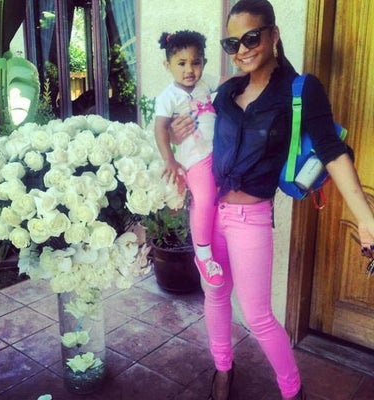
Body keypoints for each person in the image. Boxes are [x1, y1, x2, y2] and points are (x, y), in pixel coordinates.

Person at [170, 1, 374, 399]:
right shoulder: (227, 91)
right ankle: (223, 369)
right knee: (215, 294)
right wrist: (179, 133)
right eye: (233, 43)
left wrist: (364, 217)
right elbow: (200, 140)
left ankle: (292, 390)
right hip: (209, 213)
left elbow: (332, 151)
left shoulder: (300, 90)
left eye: (252, 38)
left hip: (250, 219)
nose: (242, 50)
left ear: (274, 34)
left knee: (258, 315)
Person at [154, 30, 224, 288]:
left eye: (196, 62)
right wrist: (169, 160)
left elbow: (229, 81)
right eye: (181, 63)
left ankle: (216, 250)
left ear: (204, 62)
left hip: (217, 153)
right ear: (168, 65)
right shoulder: (168, 97)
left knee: (218, 203)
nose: (189, 70)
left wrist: (251, 74)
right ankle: (203, 256)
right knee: (204, 200)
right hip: (195, 159)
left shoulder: (205, 83)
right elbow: (160, 129)